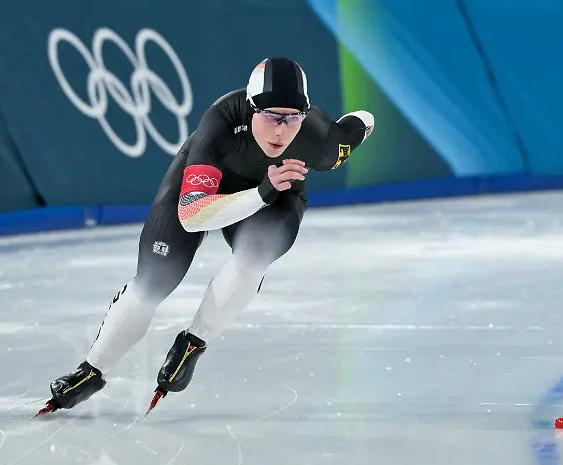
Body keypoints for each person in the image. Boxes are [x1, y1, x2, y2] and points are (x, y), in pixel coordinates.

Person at [36, 56, 375, 417]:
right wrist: (260, 193)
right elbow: (192, 215)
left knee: (255, 255)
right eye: (270, 116)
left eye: (292, 118)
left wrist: (272, 189)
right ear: (251, 107)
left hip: (278, 189)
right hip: (209, 194)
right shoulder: (221, 122)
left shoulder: (319, 140)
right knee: (152, 282)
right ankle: (92, 370)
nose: (280, 131)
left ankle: (193, 343)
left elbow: (363, 121)